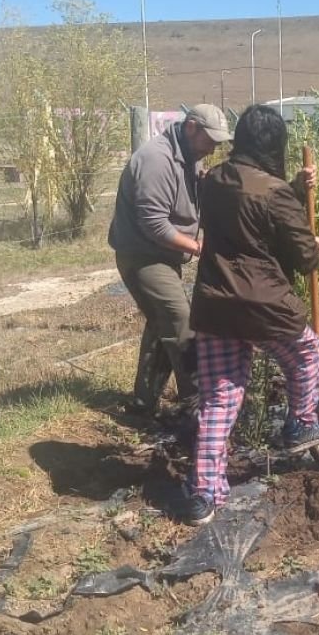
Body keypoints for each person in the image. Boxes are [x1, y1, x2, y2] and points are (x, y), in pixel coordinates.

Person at [181, 103, 319, 525]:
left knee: (220, 398)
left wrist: (295, 189)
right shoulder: (274, 192)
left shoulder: (212, 181)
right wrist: (315, 247)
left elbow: (248, 211)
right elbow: (303, 257)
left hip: (215, 307)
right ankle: (299, 424)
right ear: (274, 145)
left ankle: (204, 494)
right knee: (307, 356)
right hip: (265, 309)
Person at [108, 103, 232, 431]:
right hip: (143, 255)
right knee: (180, 320)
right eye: (210, 139)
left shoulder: (191, 156)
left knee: (161, 324)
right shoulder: (155, 161)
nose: (214, 147)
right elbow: (154, 225)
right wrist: (198, 248)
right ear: (190, 127)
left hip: (164, 256)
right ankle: (200, 406)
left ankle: (142, 404)